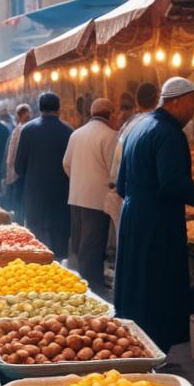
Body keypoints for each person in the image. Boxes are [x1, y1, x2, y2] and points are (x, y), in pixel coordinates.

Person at [115, 77, 194, 350]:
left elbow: (121, 184)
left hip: (135, 215)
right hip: (156, 221)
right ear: (175, 102)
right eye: (192, 102)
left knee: (138, 283)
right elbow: (172, 182)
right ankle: (154, 348)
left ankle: (135, 343)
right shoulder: (169, 134)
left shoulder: (139, 127)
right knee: (156, 285)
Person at [64, 98, 118, 293]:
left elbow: (66, 164)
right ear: (111, 114)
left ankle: (82, 284)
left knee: (80, 245)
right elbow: (115, 171)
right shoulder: (111, 135)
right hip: (98, 199)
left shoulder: (76, 134)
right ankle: (93, 290)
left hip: (77, 196)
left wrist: (80, 180)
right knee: (93, 248)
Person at [15, 93, 74, 260]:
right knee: (59, 240)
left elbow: (19, 167)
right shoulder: (69, 131)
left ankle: (39, 274)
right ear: (59, 108)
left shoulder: (27, 130)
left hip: (35, 194)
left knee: (38, 241)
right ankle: (62, 275)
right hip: (61, 193)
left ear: (39, 108)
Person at [107, 82, 158, 237]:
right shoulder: (156, 125)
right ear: (157, 100)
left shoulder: (129, 126)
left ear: (136, 102)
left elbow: (116, 164)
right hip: (145, 200)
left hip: (126, 195)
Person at [2, 104, 31, 220]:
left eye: (28, 114)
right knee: (20, 199)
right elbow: (11, 154)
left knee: (21, 199)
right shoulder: (17, 131)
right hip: (19, 171)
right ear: (19, 116)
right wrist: (10, 171)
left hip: (22, 171)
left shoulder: (23, 129)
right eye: (25, 114)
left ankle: (20, 220)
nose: (28, 116)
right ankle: (19, 220)